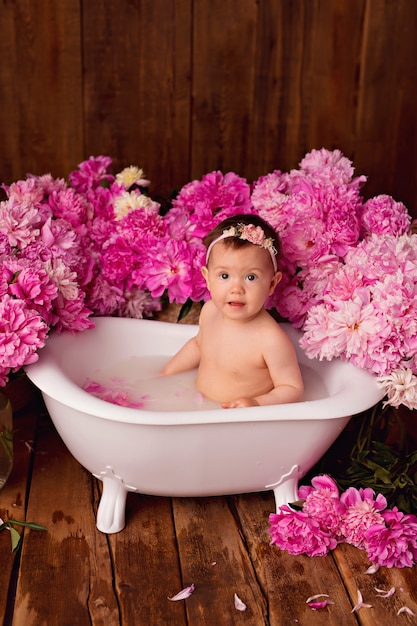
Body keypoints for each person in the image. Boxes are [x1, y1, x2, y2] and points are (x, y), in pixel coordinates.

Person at [161, 214, 304, 408]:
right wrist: (166, 373)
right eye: (224, 275)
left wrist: (256, 403)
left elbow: (291, 387)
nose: (236, 289)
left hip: (239, 420)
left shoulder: (270, 339)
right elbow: (198, 345)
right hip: (198, 406)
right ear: (208, 278)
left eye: (251, 277)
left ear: (271, 284)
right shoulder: (210, 311)